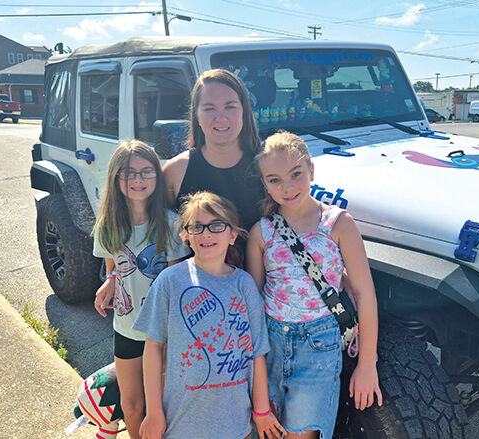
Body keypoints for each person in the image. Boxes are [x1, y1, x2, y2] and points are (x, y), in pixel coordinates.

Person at [246, 131, 383, 439]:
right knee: (267, 429)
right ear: (265, 183)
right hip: (270, 343)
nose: (288, 187)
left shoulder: (338, 223)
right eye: (275, 180)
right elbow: (252, 302)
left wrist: (367, 365)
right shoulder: (262, 232)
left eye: (296, 174)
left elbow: (365, 294)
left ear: (311, 169)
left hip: (319, 346)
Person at [134, 191, 285, 439]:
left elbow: (257, 352)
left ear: (232, 235)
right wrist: (153, 412)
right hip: (180, 423)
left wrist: (261, 410)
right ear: (185, 236)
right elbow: (152, 348)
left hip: (236, 424)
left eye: (216, 226)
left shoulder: (245, 285)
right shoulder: (169, 281)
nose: (206, 233)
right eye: (197, 227)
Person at [92, 140, 191, 439]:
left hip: (162, 334)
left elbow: (176, 282)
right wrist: (109, 281)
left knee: (159, 405)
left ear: (157, 177)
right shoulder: (107, 226)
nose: (138, 179)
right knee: (131, 405)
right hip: (125, 329)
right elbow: (114, 267)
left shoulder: (171, 223)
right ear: (115, 177)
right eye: (129, 172)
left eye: (147, 171)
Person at [163, 68, 265, 234]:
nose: (221, 118)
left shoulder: (267, 166)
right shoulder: (175, 171)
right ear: (196, 115)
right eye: (209, 109)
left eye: (230, 107)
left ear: (244, 111)